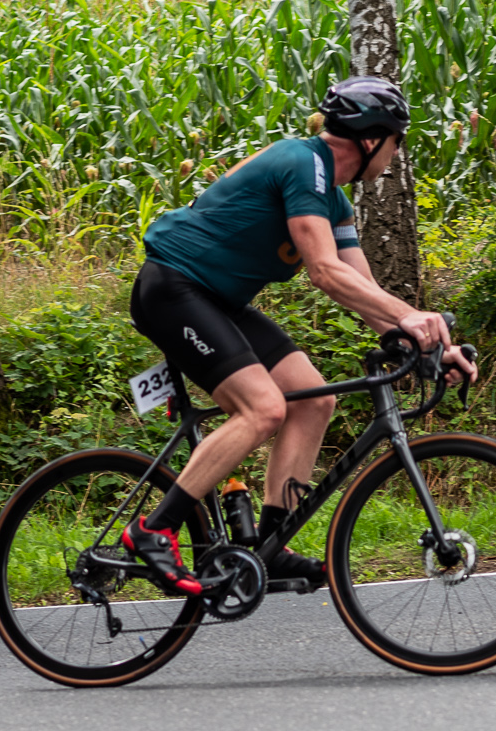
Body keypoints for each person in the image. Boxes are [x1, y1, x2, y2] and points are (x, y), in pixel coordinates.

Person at [124, 75, 474, 594]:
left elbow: (362, 290)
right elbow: (325, 272)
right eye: (397, 141)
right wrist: (412, 316)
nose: (397, 155)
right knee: (263, 409)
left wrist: (430, 345)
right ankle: (153, 529)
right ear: (372, 138)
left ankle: (271, 544)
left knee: (313, 398)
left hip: (217, 300)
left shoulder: (335, 200)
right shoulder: (302, 164)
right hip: (173, 287)